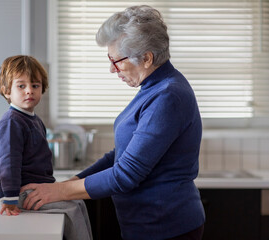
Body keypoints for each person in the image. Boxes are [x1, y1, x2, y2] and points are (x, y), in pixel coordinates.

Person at [20, 5, 205, 240]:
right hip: (145, 224)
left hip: (165, 226)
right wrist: (72, 182)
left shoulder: (168, 95)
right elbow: (120, 156)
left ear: (147, 58)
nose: (111, 69)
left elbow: (126, 174)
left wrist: (59, 191)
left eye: (116, 61)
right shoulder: (153, 89)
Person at [0, 55, 92, 240]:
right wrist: (10, 199)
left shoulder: (34, 120)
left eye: (35, 85)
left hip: (38, 187)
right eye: (21, 86)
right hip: (24, 192)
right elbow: (7, 163)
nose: (29, 91)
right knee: (72, 209)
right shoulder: (11, 122)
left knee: (78, 203)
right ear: (7, 91)